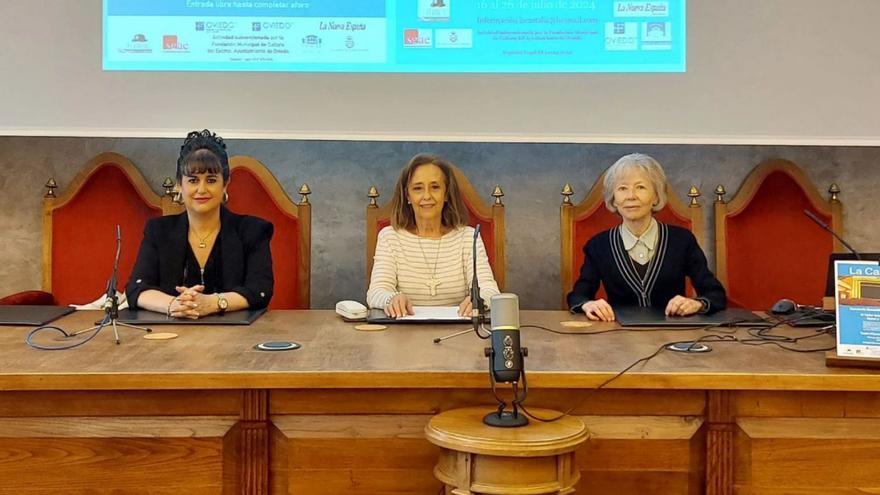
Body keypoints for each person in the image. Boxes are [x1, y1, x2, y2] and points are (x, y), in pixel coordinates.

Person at [125, 129, 274, 318]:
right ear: (180, 184)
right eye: (193, 180)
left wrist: (214, 303)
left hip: (237, 340)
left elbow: (260, 290)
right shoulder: (158, 231)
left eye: (211, 180)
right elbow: (137, 289)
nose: (201, 189)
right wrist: (174, 304)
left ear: (225, 185)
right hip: (171, 339)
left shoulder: (253, 231)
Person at [567, 153, 726, 321]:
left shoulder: (682, 241)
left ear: (656, 196)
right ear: (613, 199)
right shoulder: (598, 246)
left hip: (674, 338)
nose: (631, 196)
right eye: (622, 188)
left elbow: (715, 294)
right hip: (616, 339)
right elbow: (578, 296)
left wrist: (697, 304)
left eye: (640, 187)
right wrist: (588, 304)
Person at [367, 153, 500, 317]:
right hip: (402, 334)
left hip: (460, 334)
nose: (427, 196)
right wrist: (391, 299)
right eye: (417, 188)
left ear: (446, 194)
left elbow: (490, 290)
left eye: (435, 187)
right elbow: (376, 292)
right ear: (407, 196)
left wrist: (479, 300)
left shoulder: (469, 237)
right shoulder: (389, 237)